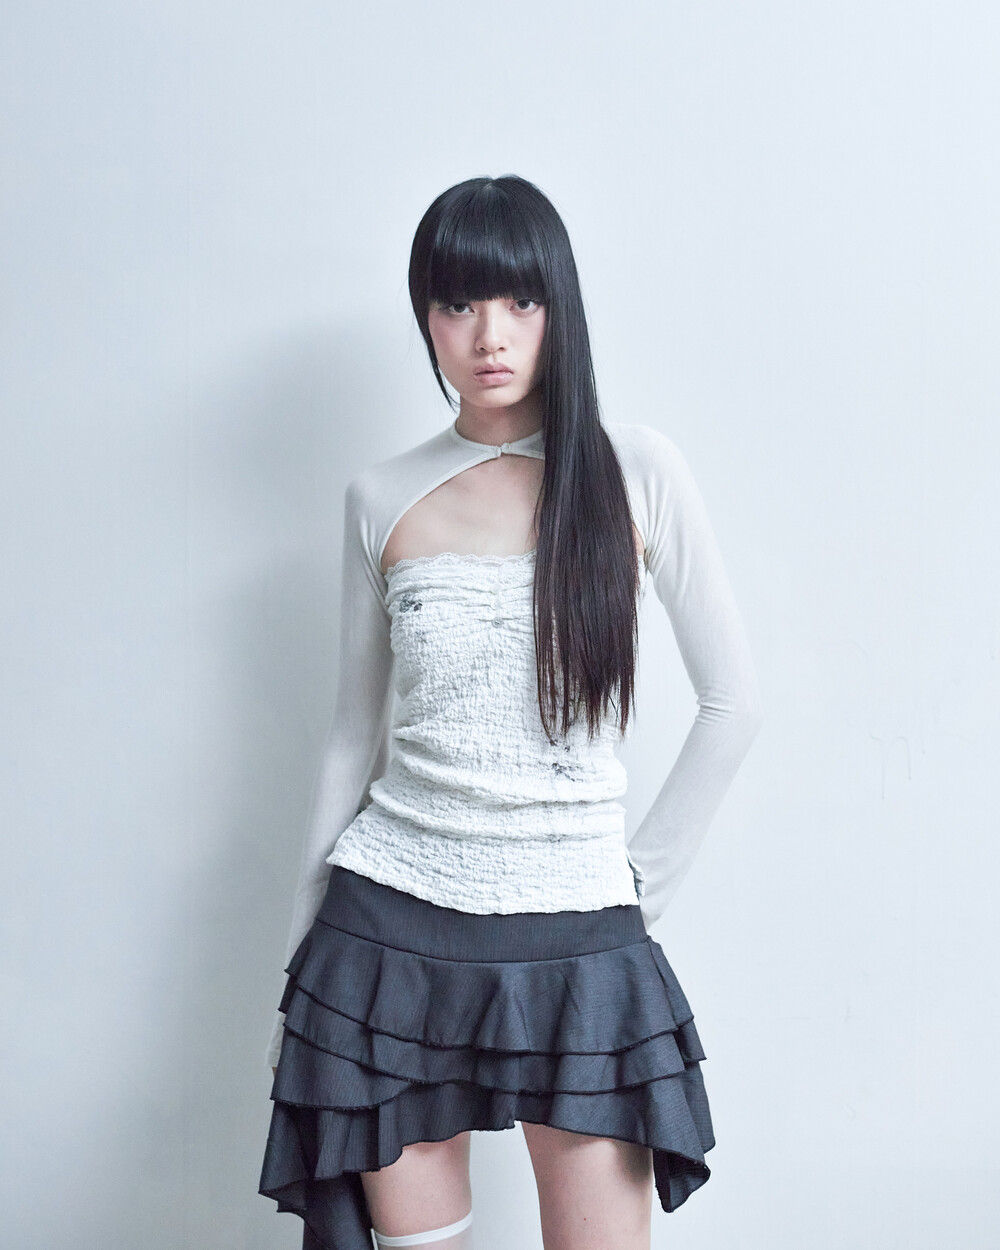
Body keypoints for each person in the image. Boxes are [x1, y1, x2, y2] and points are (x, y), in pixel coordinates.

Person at [258, 174, 763, 1250]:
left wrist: (633, 891)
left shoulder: (633, 470)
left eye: (519, 301)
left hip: (579, 940)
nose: (489, 335)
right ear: (426, 319)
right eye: (457, 304)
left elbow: (733, 702)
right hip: (389, 933)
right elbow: (353, 735)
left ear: (556, 306)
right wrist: (303, 967)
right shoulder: (381, 495)